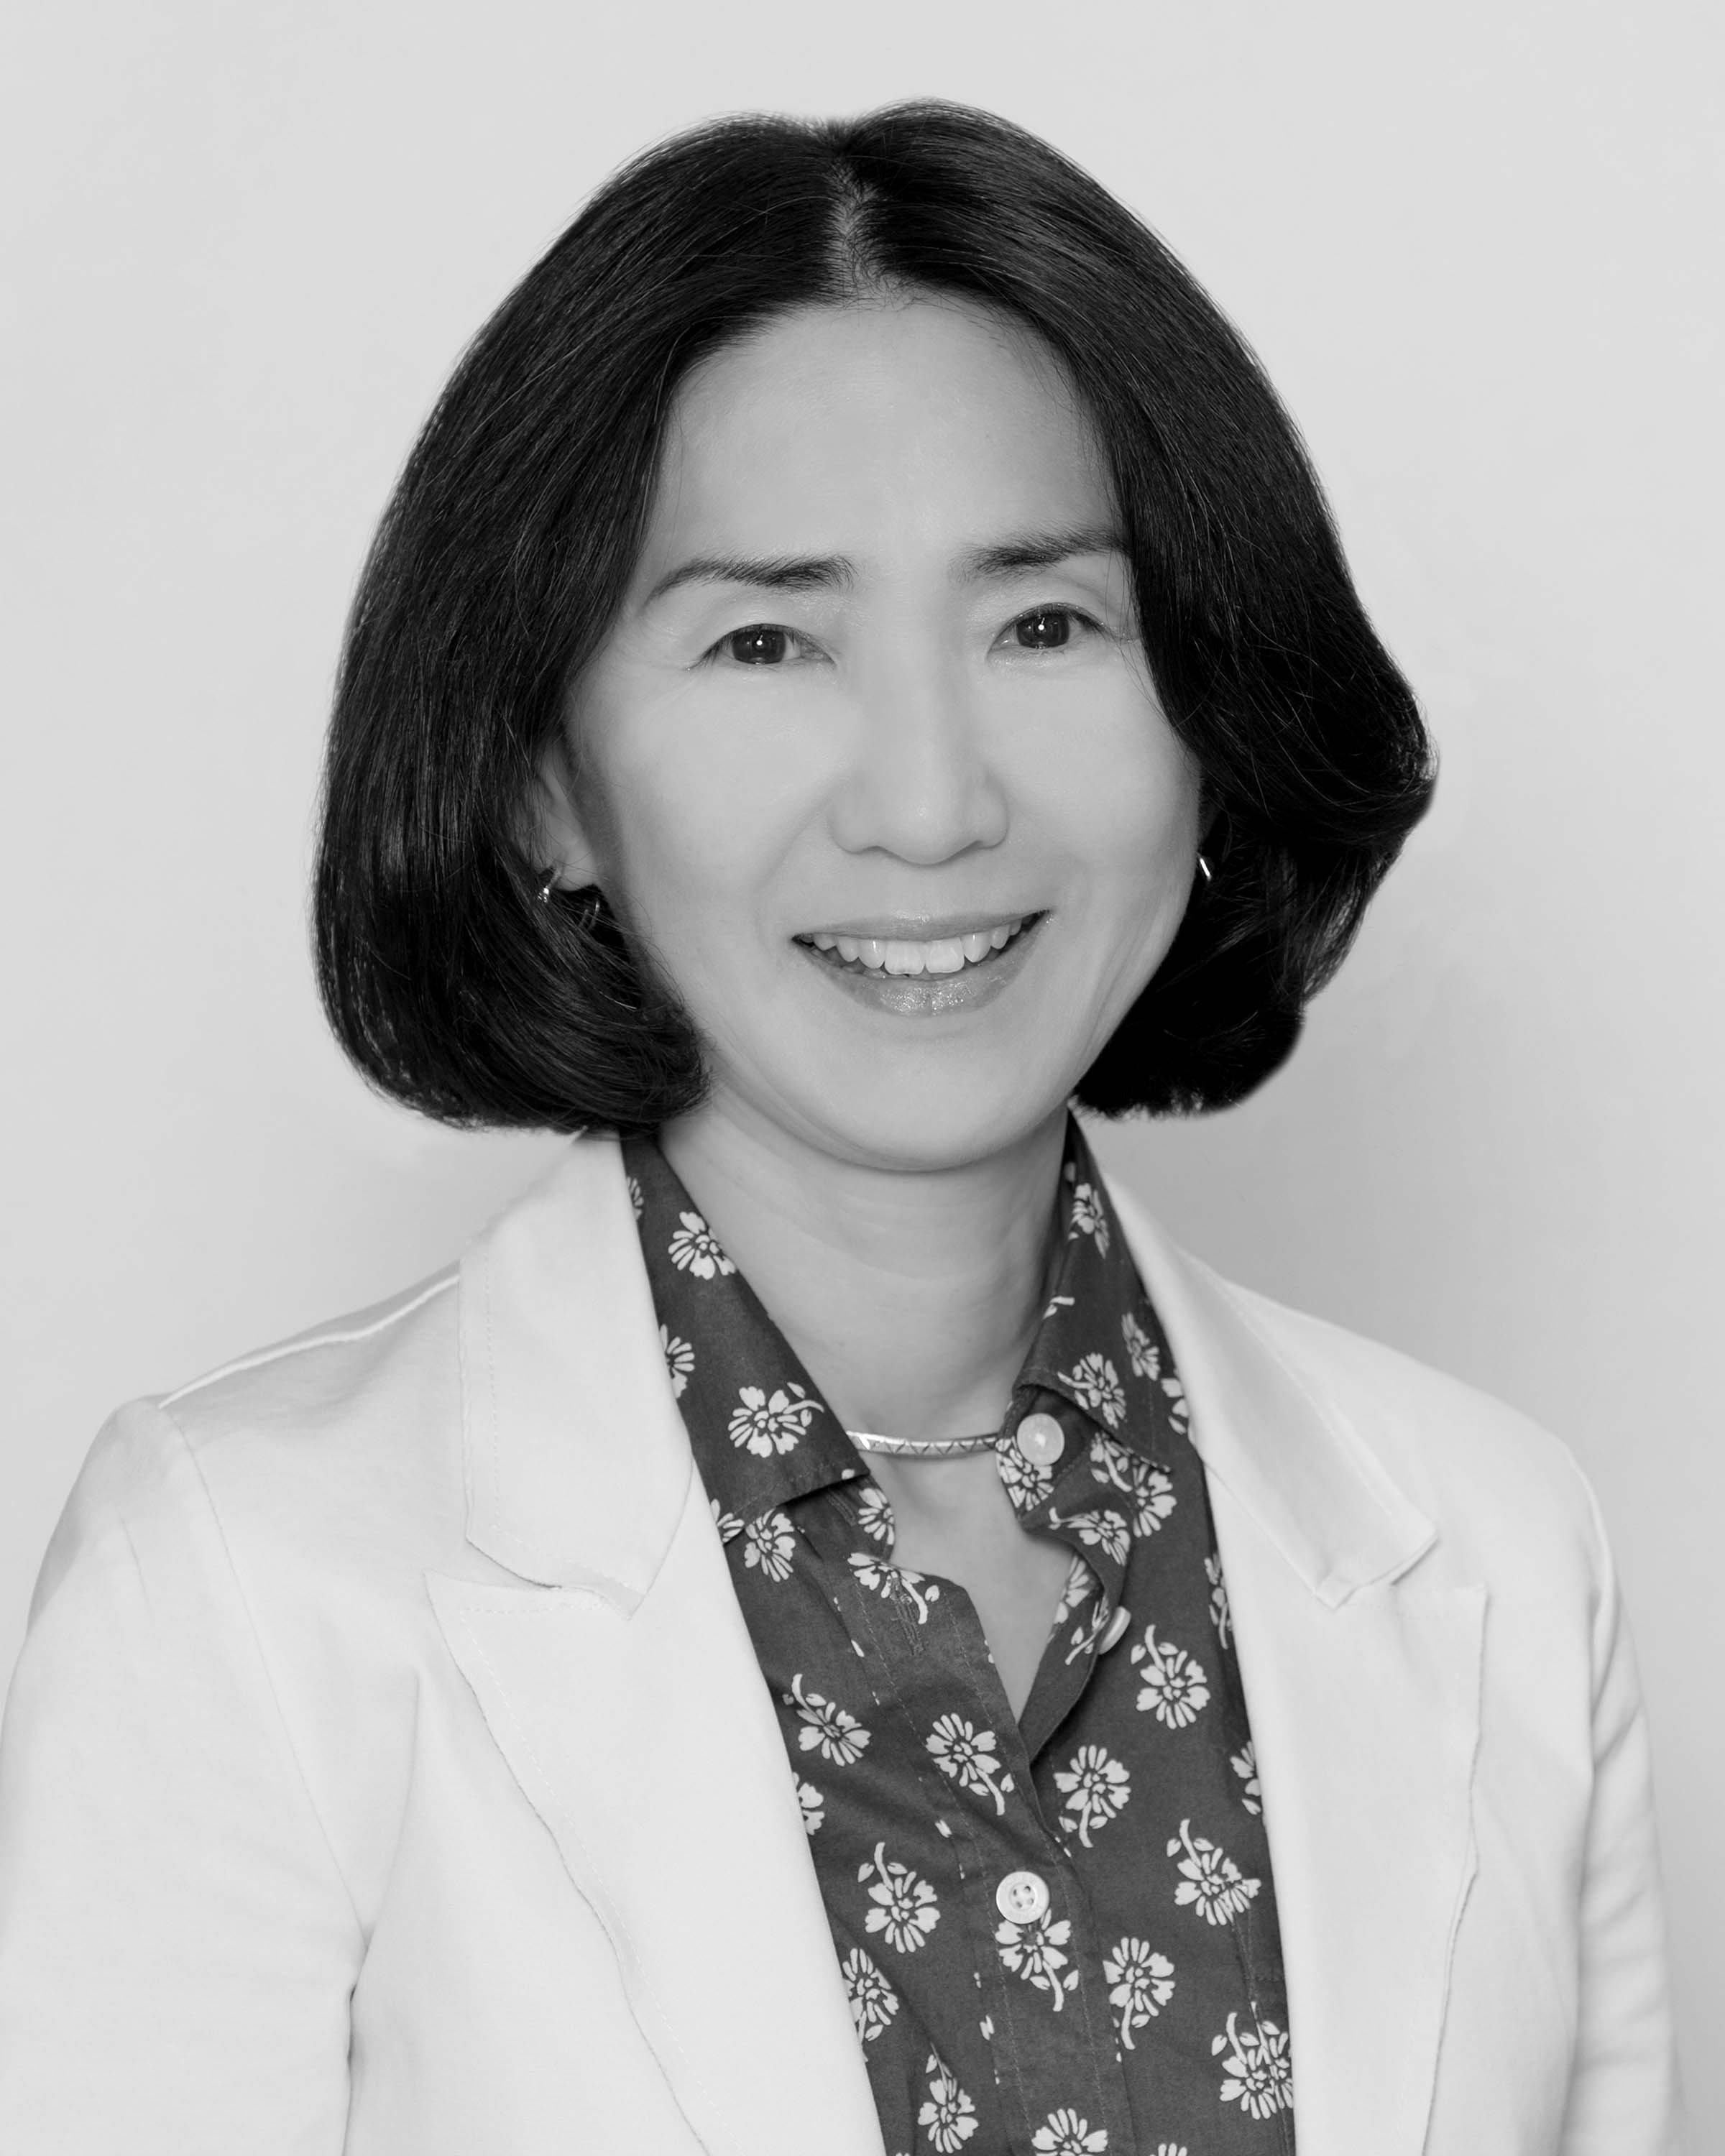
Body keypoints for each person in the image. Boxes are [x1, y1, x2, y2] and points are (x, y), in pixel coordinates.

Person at [0, 101, 1680, 2156]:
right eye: (767, 640)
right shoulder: (243, 1589)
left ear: (1215, 717)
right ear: (543, 787)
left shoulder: (1498, 1547)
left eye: (1045, 624)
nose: (931, 802)